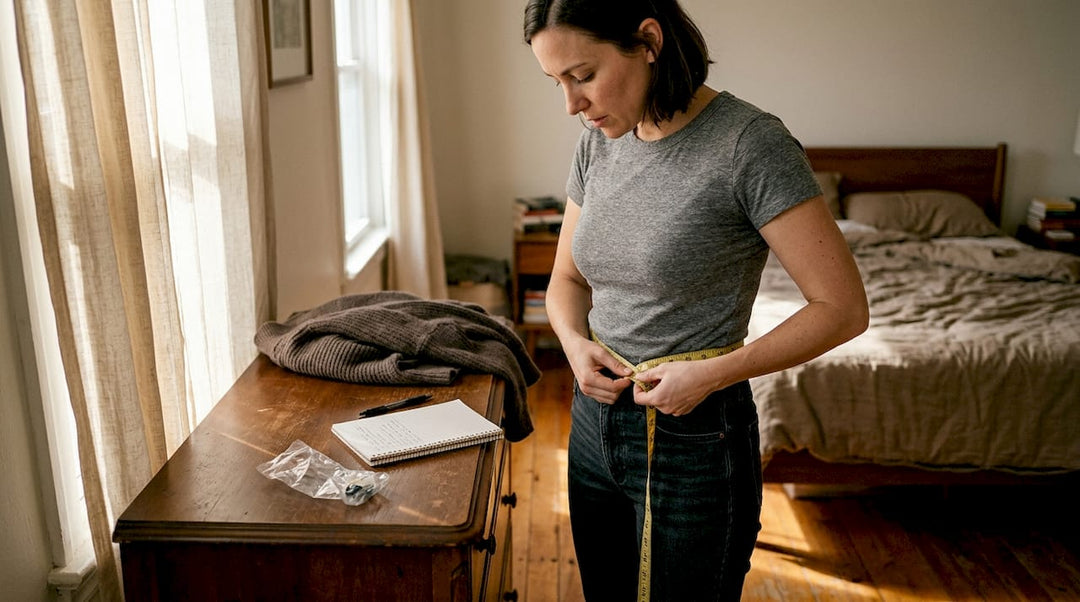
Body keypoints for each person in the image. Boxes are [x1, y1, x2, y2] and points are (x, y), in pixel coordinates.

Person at [523, 0, 869, 600]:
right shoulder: (599, 142)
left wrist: (711, 375)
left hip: (695, 438)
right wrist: (576, 347)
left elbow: (841, 308)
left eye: (582, 76)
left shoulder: (749, 145)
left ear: (648, 41)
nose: (572, 105)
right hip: (592, 424)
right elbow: (568, 281)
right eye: (556, 82)